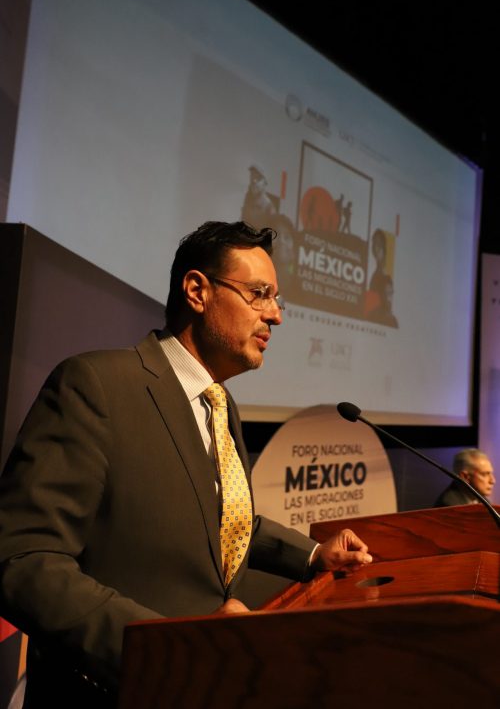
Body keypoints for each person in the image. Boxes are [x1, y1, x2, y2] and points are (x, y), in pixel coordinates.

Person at [0, 221, 372, 708]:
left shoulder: (220, 403)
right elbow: (23, 559)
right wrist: (171, 647)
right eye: (259, 294)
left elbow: (223, 519)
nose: (276, 315)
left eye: (277, 299)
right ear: (197, 291)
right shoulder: (96, 385)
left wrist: (313, 555)